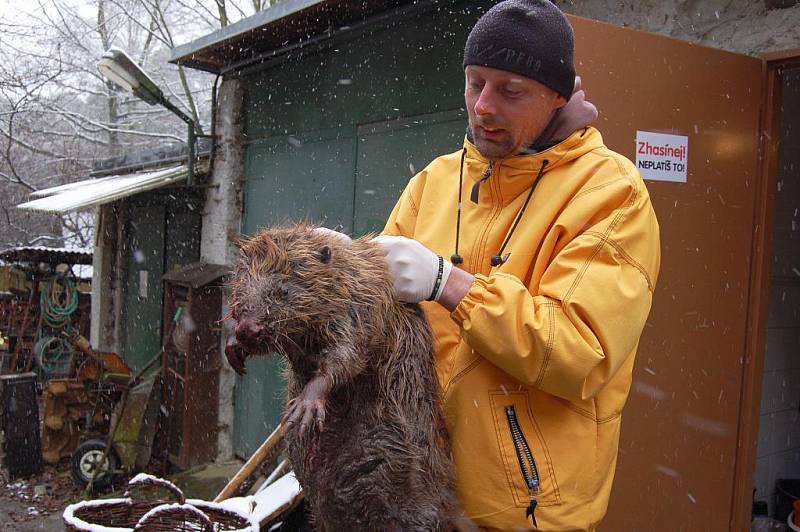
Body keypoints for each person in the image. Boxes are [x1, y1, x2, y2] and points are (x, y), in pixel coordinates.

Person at [372, 1, 661, 530]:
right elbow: (377, 314)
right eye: (474, 82)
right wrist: (332, 268)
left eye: (510, 90)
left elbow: (579, 352)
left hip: (524, 509)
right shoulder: (435, 182)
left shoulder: (611, 194)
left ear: (558, 95)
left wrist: (450, 284)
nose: (483, 106)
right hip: (419, 490)